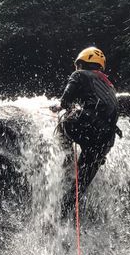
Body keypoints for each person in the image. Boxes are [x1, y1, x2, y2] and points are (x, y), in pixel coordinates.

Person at [51, 47, 121, 219]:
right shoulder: (108, 85)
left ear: (81, 64)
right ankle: (64, 212)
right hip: (106, 139)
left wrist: (60, 107)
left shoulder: (79, 75)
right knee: (80, 184)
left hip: (85, 127)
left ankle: (66, 156)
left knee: (64, 120)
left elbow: (66, 100)